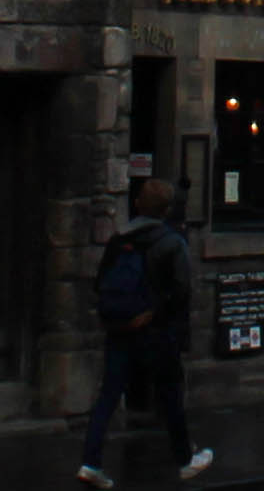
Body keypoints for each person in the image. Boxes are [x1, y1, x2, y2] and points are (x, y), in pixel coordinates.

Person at [78, 177, 213, 488]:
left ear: (137, 203)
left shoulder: (118, 239)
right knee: (169, 394)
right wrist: (154, 315)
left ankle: (90, 463)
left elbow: (100, 284)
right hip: (155, 331)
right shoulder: (171, 242)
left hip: (121, 329)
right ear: (166, 210)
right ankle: (185, 460)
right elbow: (181, 292)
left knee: (108, 395)